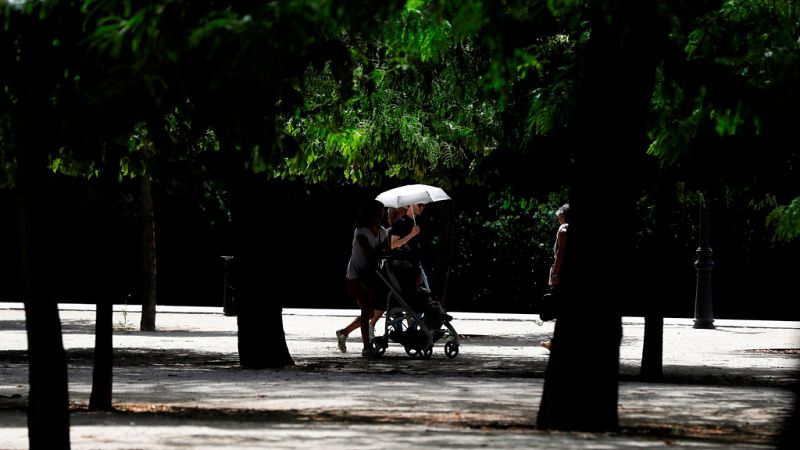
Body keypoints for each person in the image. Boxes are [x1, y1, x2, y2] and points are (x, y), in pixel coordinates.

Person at [336, 200, 389, 356]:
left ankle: (344, 332)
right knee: (366, 310)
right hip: (356, 274)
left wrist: (383, 250)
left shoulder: (382, 232)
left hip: (372, 274)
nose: (380, 217)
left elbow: (387, 251)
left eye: (382, 214)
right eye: (377, 214)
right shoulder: (360, 232)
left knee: (371, 312)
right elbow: (371, 254)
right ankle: (366, 347)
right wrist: (382, 250)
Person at [541, 203, 569, 351]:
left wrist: (555, 273)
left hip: (564, 274)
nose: (558, 221)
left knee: (561, 307)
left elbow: (560, 253)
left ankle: (557, 342)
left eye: (559, 218)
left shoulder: (564, 229)